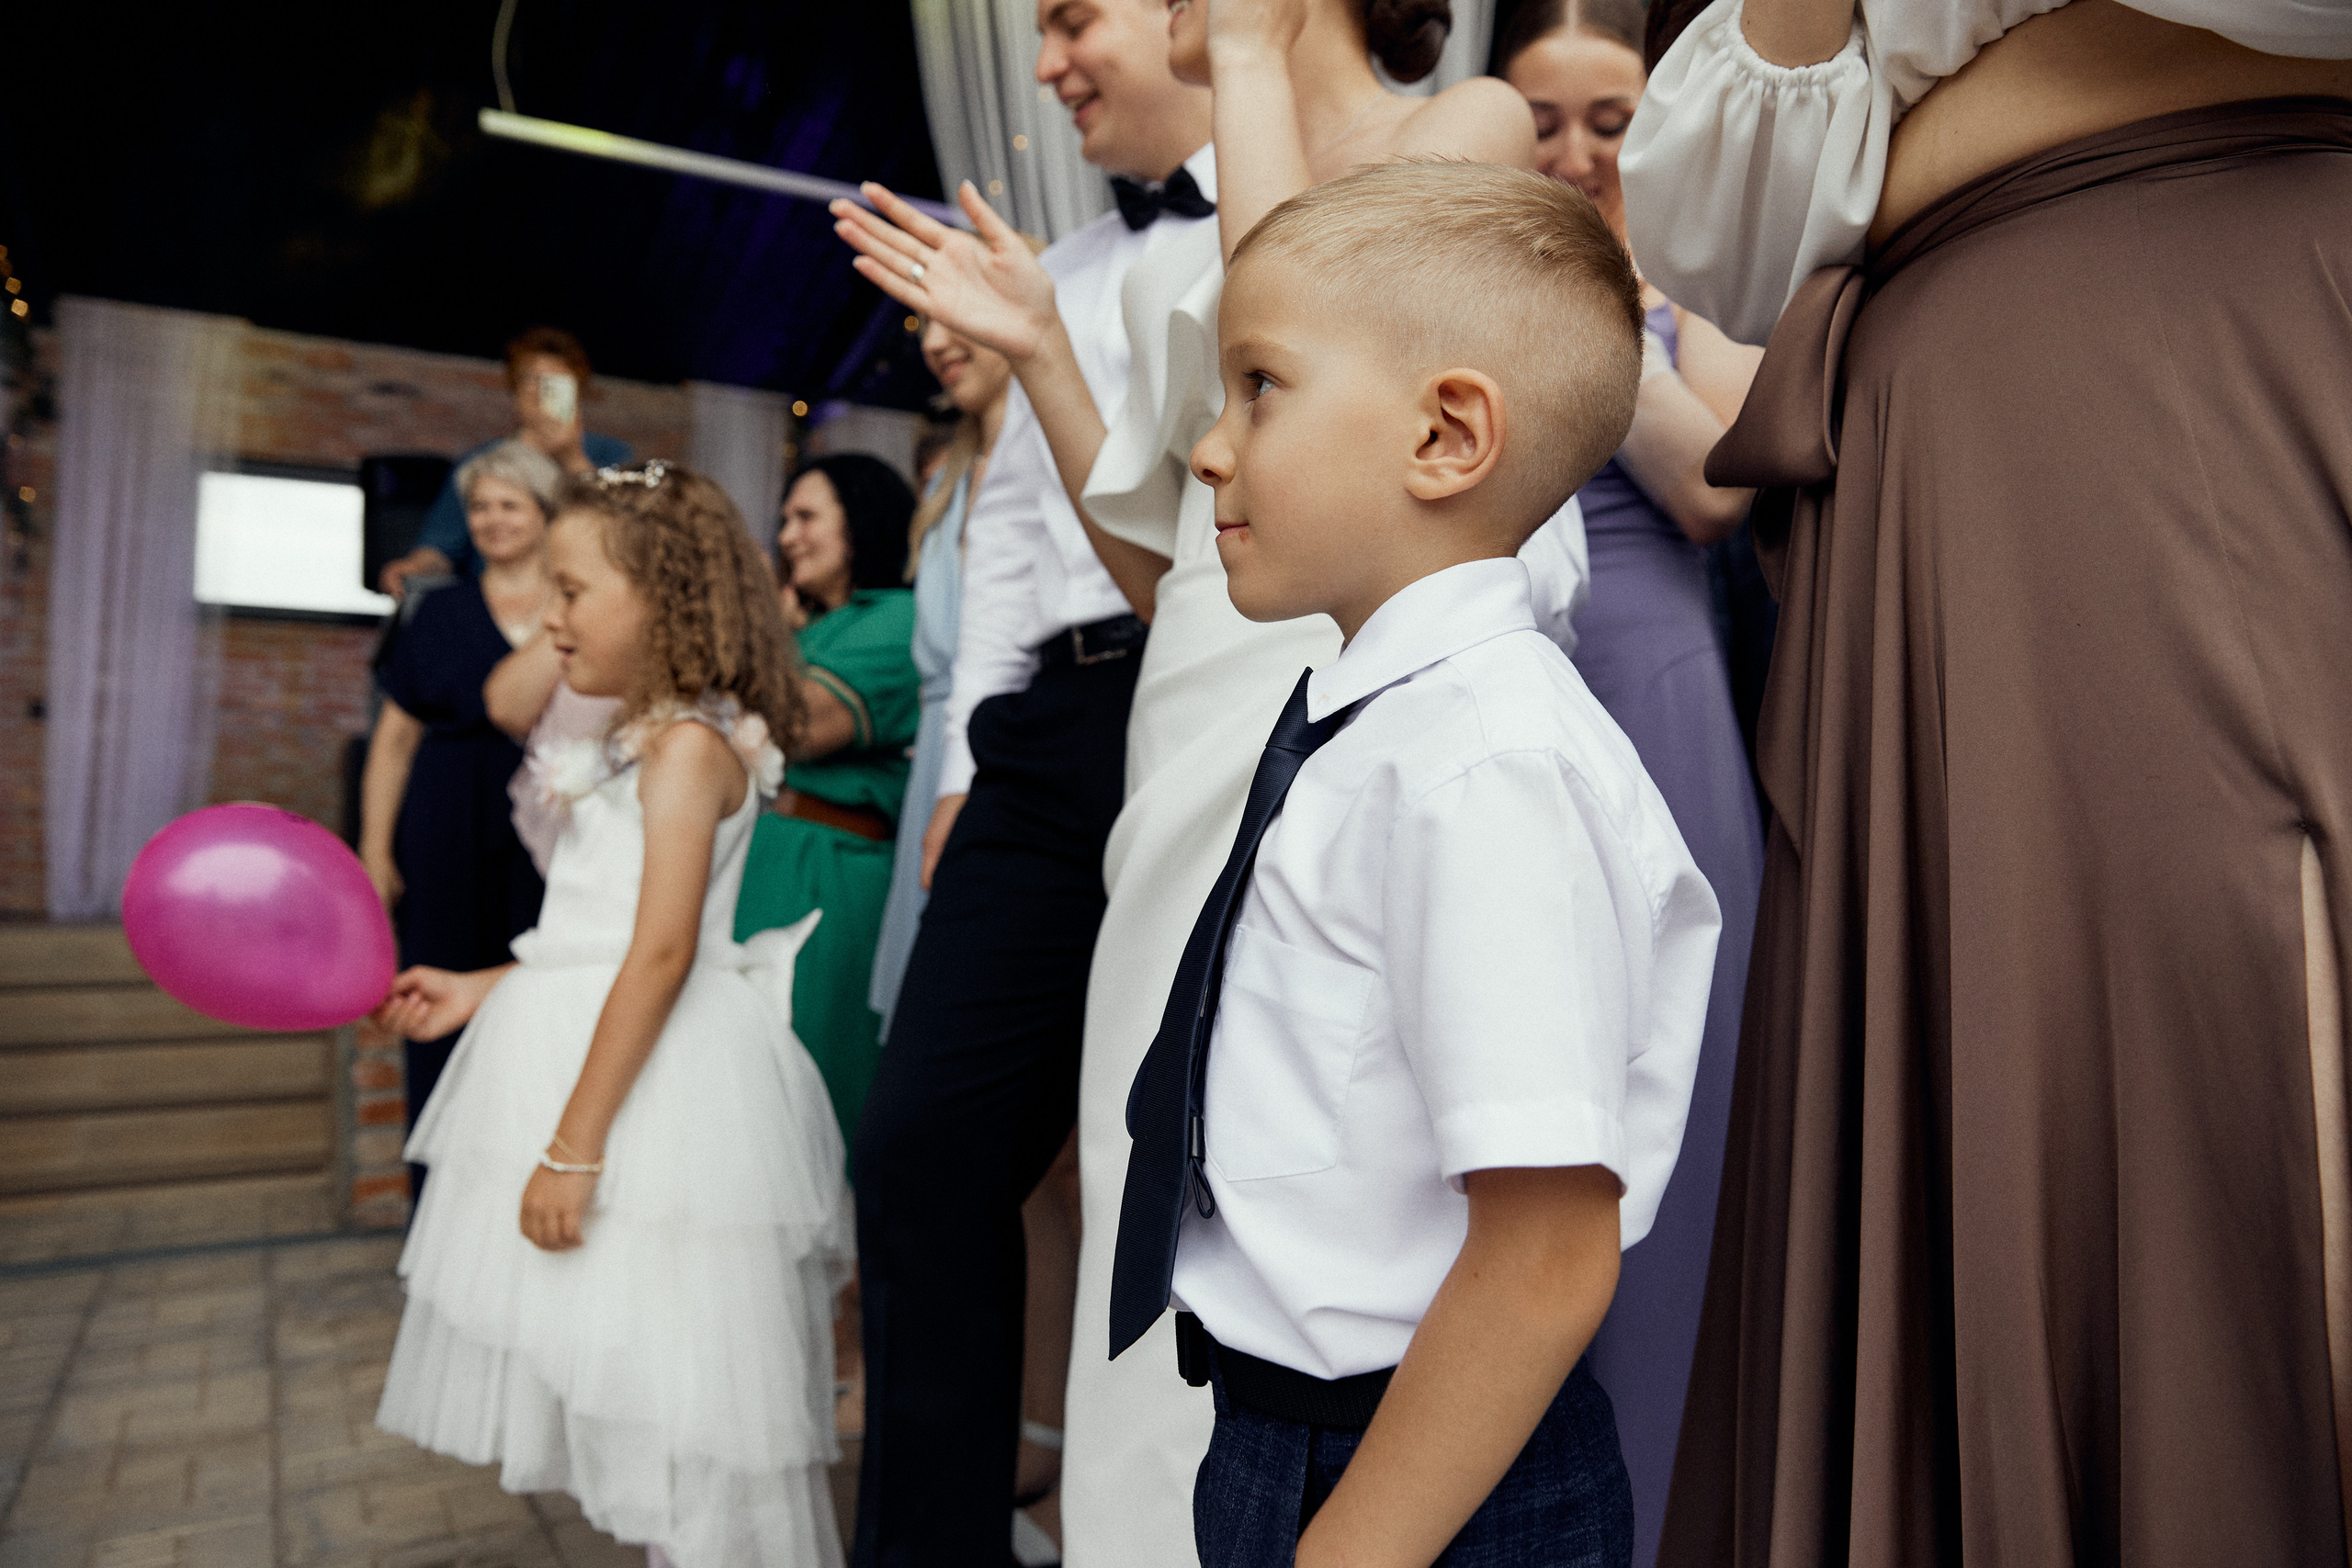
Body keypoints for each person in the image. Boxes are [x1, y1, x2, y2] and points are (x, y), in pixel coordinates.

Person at [1611, 3, 2352, 1562]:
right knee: (2041, 1082)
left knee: (2240, 1063)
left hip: (2219, 306)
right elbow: (1725, 226)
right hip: (1963, 409)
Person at [1107, 159, 1719, 1568]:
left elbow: (1548, 1250)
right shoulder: (1389, 726)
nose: (1208, 447)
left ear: (1448, 437)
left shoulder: (1482, 764)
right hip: (1297, 1438)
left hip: (1422, 1480)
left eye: (1259, 385)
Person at [823, 4, 1216, 1560]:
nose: (1048, 66)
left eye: (1072, 21)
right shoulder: (1053, 266)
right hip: (1047, 734)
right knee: (921, 1144)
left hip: (1207, 702)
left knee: (1179, 1162)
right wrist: (963, 755)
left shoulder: (1295, 217)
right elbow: (1007, 535)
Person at [371, 459, 853, 1568]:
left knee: (687, 1405)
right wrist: (480, 987)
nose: (551, 617)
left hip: (651, 1099)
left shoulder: (688, 748)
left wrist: (571, 1150)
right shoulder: (643, 737)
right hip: (606, 1053)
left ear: (666, 596)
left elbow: (664, 954)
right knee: (633, 1385)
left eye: (574, 592)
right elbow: (597, 942)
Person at [1493, 5, 1764, 1560]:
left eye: (1610, 121)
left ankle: (1657, 1513)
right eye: (1545, 121)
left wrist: (1590, 303)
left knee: (1671, 1113)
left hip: (1656, 700)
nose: (1578, 153)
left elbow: (1713, 488)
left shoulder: (1692, 293)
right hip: (1496, 703)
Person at [361, 438, 560, 1158]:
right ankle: (441, 1188)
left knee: (541, 993)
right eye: (478, 506)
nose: (491, 519)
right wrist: (375, 849)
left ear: (544, 512)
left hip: (550, 827)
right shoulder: (437, 611)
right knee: (435, 995)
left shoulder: (578, 604)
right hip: (442, 822)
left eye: (509, 503)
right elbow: (393, 741)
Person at [733, 454, 920, 1156]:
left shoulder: (896, 615)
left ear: (862, 523)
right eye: (784, 519)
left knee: (812, 1087)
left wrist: (752, 625)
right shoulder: (815, 627)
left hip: (831, 869)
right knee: (753, 1089)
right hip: (772, 857)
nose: (787, 535)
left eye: (807, 517)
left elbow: (798, 727)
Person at [377, 327, 632, 597]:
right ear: (514, 390)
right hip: (493, 602)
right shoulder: (480, 463)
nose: (538, 391)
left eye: (553, 382)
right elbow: (441, 547)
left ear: (577, 391)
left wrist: (571, 457)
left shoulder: (611, 455)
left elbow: (624, 535)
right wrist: (413, 568)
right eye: (529, 380)